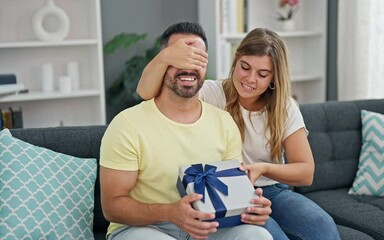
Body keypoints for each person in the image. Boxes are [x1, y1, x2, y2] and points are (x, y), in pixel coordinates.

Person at [136, 27, 341, 240]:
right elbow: (145, 93)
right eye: (245, 67)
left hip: (272, 191)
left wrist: (262, 169)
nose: (250, 79)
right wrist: (165, 56)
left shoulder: (285, 107)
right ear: (236, 61)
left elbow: (306, 172)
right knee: (270, 235)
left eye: (262, 74)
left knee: (321, 226)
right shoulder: (211, 93)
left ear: (274, 78)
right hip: (226, 193)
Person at [100, 22, 273, 240]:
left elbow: (231, 193)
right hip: (145, 229)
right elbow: (112, 206)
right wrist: (170, 212)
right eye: (179, 58)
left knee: (258, 235)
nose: (188, 67)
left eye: (197, 58)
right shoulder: (127, 124)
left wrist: (251, 208)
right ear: (161, 63)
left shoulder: (224, 122)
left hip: (205, 226)